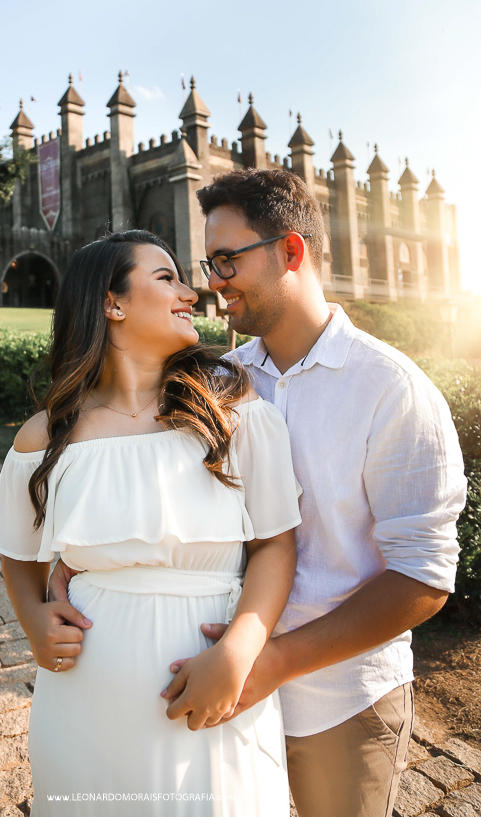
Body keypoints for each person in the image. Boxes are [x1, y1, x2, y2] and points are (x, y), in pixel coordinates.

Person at [167, 168, 467, 817]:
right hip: (224, 691)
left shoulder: (391, 389)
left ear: (290, 251)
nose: (214, 281)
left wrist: (274, 661)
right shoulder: (221, 382)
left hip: (343, 704)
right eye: (209, 263)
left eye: (226, 260)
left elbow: (422, 578)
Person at [0, 230, 302, 816]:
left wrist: (238, 652)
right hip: (84, 704)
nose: (192, 292)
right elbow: (17, 551)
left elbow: (276, 545)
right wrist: (32, 618)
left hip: (214, 690)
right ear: (112, 303)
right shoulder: (46, 436)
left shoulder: (231, 410)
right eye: (166, 278)